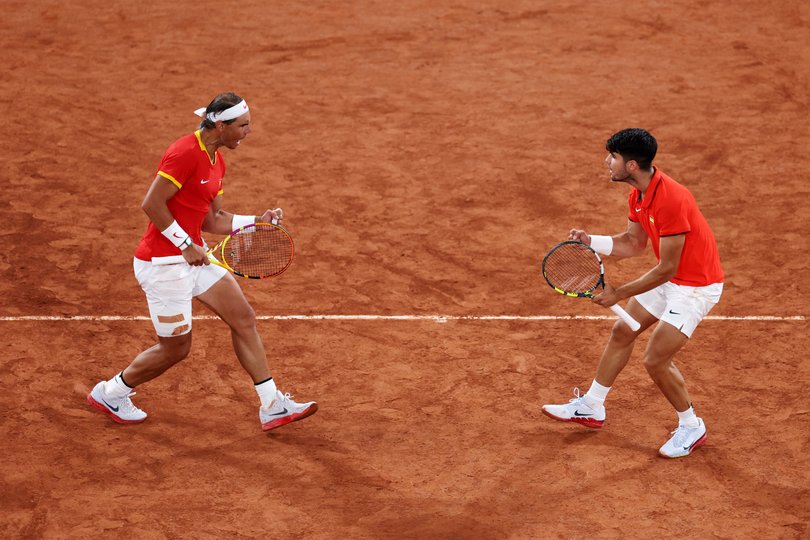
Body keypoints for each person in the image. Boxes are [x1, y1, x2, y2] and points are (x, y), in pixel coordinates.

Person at [87, 92, 317, 432]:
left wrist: (258, 219)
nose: (248, 132)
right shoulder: (184, 153)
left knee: (243, 317)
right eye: (243, 125)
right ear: (220, 125)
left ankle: (272, 405)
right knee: (176, 349)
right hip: (163, 265)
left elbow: (213, 220)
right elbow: (151, 203)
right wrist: (183, 244)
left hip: (193, 259)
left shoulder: (217, 161)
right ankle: (111, 392)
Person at [541, 128, 723, 458]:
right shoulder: (638, 194)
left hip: (696, 288)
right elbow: (633, 244)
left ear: (633, 165)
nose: (607, 162)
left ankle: (692, 425)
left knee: (655, 359)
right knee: (623, 330)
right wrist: (590, 240)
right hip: (674, 280)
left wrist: (619, 293)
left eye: (613, 157)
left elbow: (667, 268)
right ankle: (593, 406)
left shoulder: (672, 199)